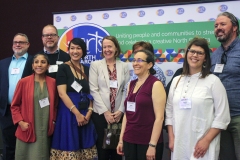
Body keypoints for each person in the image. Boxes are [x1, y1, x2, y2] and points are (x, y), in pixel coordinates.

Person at [166, 37, 231, 160]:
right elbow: (169, 112)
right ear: (186, 54)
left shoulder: (213, 81)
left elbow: (223, 117)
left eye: (200, 53)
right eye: (192, 51)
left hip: (202, 145)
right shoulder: (176, 80)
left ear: (205, 57)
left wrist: (206, 140)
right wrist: (171, 138)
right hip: (179, 143)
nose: (195, 55)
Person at [50, 38, 97, 160]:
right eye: (72, 48)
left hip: (85, 113)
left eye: (78, 48)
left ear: (83, 51)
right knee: (70, 143)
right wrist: (77, 114)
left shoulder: (87, 69)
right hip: (68, 113)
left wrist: (90, 111)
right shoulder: (63, 68)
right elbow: (62, 94)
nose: (75, 51)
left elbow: (91, 92)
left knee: (85, 145)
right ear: (68, 50)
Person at [117, 49, 165, 160]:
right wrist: (121, 139)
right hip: (129, 139)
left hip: (147, 141)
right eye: (134, 60)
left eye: (140, 60)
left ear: (149, 64)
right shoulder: (131, 84)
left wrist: (152, 145)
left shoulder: (155, 84)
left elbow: (160, 118)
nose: (135, 63)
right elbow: (127, 115)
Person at [10, 53, 58, 160]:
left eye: (43, 62)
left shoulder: (53, 82)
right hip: (27, 127)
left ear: (48, 66)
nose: (39, 65)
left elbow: (55, 105)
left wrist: (53, 121)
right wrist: (20, 122)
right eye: (36, 62)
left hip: (45, 128)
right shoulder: (23, 82)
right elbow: (14, 106)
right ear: (32, 66)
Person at [89, 36, 130, 160]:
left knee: (117, 150)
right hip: (101, 115)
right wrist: (106, 112)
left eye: (110, 46)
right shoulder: (95, 65)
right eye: (104, 47)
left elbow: (126, 90)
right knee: (103, 151)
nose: (107, 49)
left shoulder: (124, 66)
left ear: (116, 48)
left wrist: (121, 110)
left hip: (119, 115)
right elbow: (94, 90)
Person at [211, 12, 240, 160]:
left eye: (223, 24)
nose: (218, 28)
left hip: (238, 117)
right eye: (216, 26)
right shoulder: (215, 54)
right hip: (219, 119)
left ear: (234, 27)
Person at [0, 33, 33, 160]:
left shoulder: (34, 62)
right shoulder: (3, 63)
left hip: (26, 111)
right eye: (15, 42)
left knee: (27, 145)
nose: (18, 44)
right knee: (8, 145)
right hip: (7, 112)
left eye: (21, 42)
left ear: (28, 45)